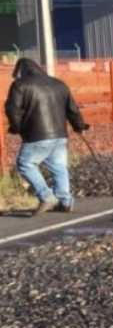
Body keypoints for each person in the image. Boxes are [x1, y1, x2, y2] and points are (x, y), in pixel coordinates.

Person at [4, 58, 89, 216]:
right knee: (58, 167)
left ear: (20, 72)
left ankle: (46, 196)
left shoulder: (20, 85)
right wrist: (79, 126)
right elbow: (72, 108)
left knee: (24, 164)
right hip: (60, 135)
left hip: (37, 135)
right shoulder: (59, 83)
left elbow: (12, 110)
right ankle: (65, 201)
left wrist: (16, 128)